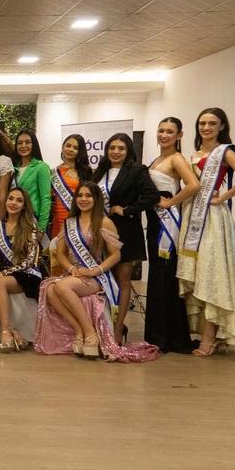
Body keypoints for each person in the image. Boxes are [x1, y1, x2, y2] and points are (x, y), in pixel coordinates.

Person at [34, 182, 158, 362]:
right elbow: (60, 254)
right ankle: (80, 330)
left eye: (88, 196)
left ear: (96, 199)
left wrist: (94, 270)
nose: (83, 199)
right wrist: (72, 269)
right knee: (49, 289)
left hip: (98, 276)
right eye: (80, 195)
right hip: (76, 273)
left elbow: (116, 255)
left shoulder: (105, 222)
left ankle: (90, 333)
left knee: (61, 287)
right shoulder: (68, 223)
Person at [178, 107, 235, 355]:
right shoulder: (193, 154)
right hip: (191, 214)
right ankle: (205, 332)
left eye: (212, 123)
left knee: (212, 273)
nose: (206, 128)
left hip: (212, 218)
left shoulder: (224, 152)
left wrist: (223, 197)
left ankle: (209, 339)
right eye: (202, 123)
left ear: (222, 126)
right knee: (198, 272)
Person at [93, 133, 159, 343]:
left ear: (128, 151)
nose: (116, 152)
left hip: (126, 232)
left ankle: (119, 327)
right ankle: (102, 325)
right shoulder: (99, 172)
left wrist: (127, 210)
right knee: (104, 280)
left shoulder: (137, 171)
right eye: (112, 147)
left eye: (121, 148)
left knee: (122, 280)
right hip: (100, 232)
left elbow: (152, 196)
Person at [145, 117, 199, 353]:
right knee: (158, 277)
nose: (164, 135)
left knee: (166, 278)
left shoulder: (176, 158)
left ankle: (169, 336)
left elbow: (193, 185)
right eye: (161, 131)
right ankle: (158, 334)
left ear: (179, 135)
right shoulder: (157, 159)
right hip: (155, 224)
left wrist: (170, 202)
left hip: (167, 226)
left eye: (169, 131)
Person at [0, 187, 44, 353]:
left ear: (24, 206)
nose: (13, 203)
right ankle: (13, 332)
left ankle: (5, 333)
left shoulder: (31, 227)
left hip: (28, 274)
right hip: (5, 272)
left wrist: (4, 273)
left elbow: (30, 261)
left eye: (19, 200)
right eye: (11, 199)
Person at [49, 134, 93, 275]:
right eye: (68, 145)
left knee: (78, 258)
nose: (70, 149)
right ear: (63, 147)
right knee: (59, 258)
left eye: (75, 147)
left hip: (79, 219)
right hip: (59, 220)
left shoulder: (86, 172)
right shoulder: (53, 172)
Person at [12, 130, 51, 234]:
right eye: (20, 143)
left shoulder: (41, 167)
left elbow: (46, 199)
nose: (23, 146)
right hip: (14, 219)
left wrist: (41, 228)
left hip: (32, 220)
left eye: (28, 142)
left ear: (34, 144)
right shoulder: (12, 168)